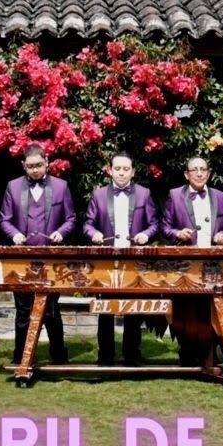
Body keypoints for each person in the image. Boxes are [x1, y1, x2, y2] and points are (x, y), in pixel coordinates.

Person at [0, 144, 74, 366]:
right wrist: (13, 235)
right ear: (23, 165)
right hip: (22, 259)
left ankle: (59, 357)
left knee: (51, 310)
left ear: (47, 162)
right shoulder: (12, 187)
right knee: (23, 311)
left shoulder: (61, 187)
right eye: (30, 166)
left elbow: (71, 219)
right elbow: (5, 219)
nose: (34, 170)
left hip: (51, 259)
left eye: (38, 165)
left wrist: (60, 233)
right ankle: (20, 358)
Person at [83, 151, 159, 366]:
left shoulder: (144, 194)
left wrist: (146, 235)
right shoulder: (98, 195)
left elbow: (154, 224)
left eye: (126, 169)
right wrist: (94, 234)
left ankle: (132, 355)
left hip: (134, 260)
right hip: (108, 261)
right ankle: (105, 356)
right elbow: (87, 224)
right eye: (118, 168)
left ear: (133, 172)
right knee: (105, 310)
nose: (122, 173)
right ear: (110, 170)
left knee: (133, 309)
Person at [161, 157, 223, 247]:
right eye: (194, 170)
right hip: (187, 256)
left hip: (215, 255)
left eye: (203, 170)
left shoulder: (221, 197)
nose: (199, 174)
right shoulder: (175, 195)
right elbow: (165, 227)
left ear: (208, 174)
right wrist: (178, 234)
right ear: (186, 175)